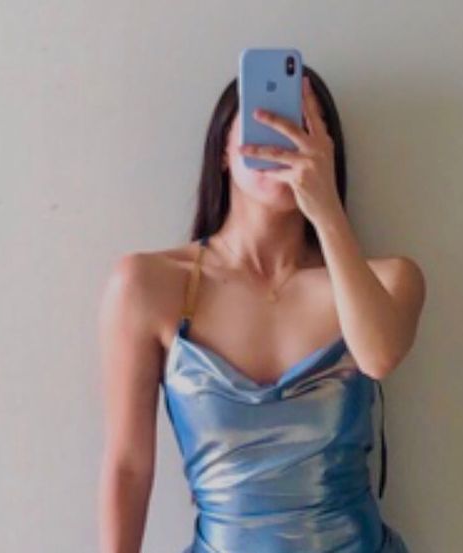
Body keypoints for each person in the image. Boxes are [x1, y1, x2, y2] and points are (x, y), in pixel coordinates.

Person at [98, 65, 426, 553]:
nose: (283, 143)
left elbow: (378, 357)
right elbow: (128, 465)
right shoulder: (148, 285)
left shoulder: (389, 279)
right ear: (223, 150)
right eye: (264, 124)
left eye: (301, 129)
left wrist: (326, 209)